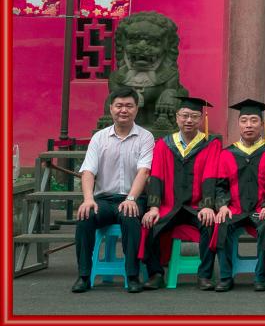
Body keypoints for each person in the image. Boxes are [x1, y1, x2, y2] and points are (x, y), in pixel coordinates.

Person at [71, 87, 155, 293]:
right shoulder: (99, 138)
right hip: (104, 200)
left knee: (129, 216)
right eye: (119, 106)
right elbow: (88, 171)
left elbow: (144, 171)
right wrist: (88, 199)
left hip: (133, 198)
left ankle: (132, 276)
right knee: (85, 216)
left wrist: (131, 198)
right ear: (111, 109)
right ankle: (83, 276)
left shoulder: (145, 137)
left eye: (129, 106)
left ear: (136, 109)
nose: (123, 110)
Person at [140, 97, 221, 290]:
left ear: (201, 119)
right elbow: (156, 176)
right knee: (150, 223)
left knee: (210, 224)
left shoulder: (211, 144)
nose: (189, 120)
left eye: (194, 116)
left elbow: (211, 175)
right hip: (170, 206)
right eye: (184, 116)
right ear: (177, 118)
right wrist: (154, 207)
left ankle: (204, 275)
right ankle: (156, 274)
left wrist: (208, 206)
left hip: (197, 206)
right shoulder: (164, 144)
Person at [208, 99, 265, 292]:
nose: (249, 125)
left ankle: (261, 276)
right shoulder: (227, 153)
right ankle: (225, 277)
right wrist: (222, 206)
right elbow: (220, 185)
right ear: (238, 124)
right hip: (235, 208)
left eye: (254, 120)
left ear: (262, 124)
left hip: (261, 208)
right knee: (221, 224)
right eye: (244, 120)